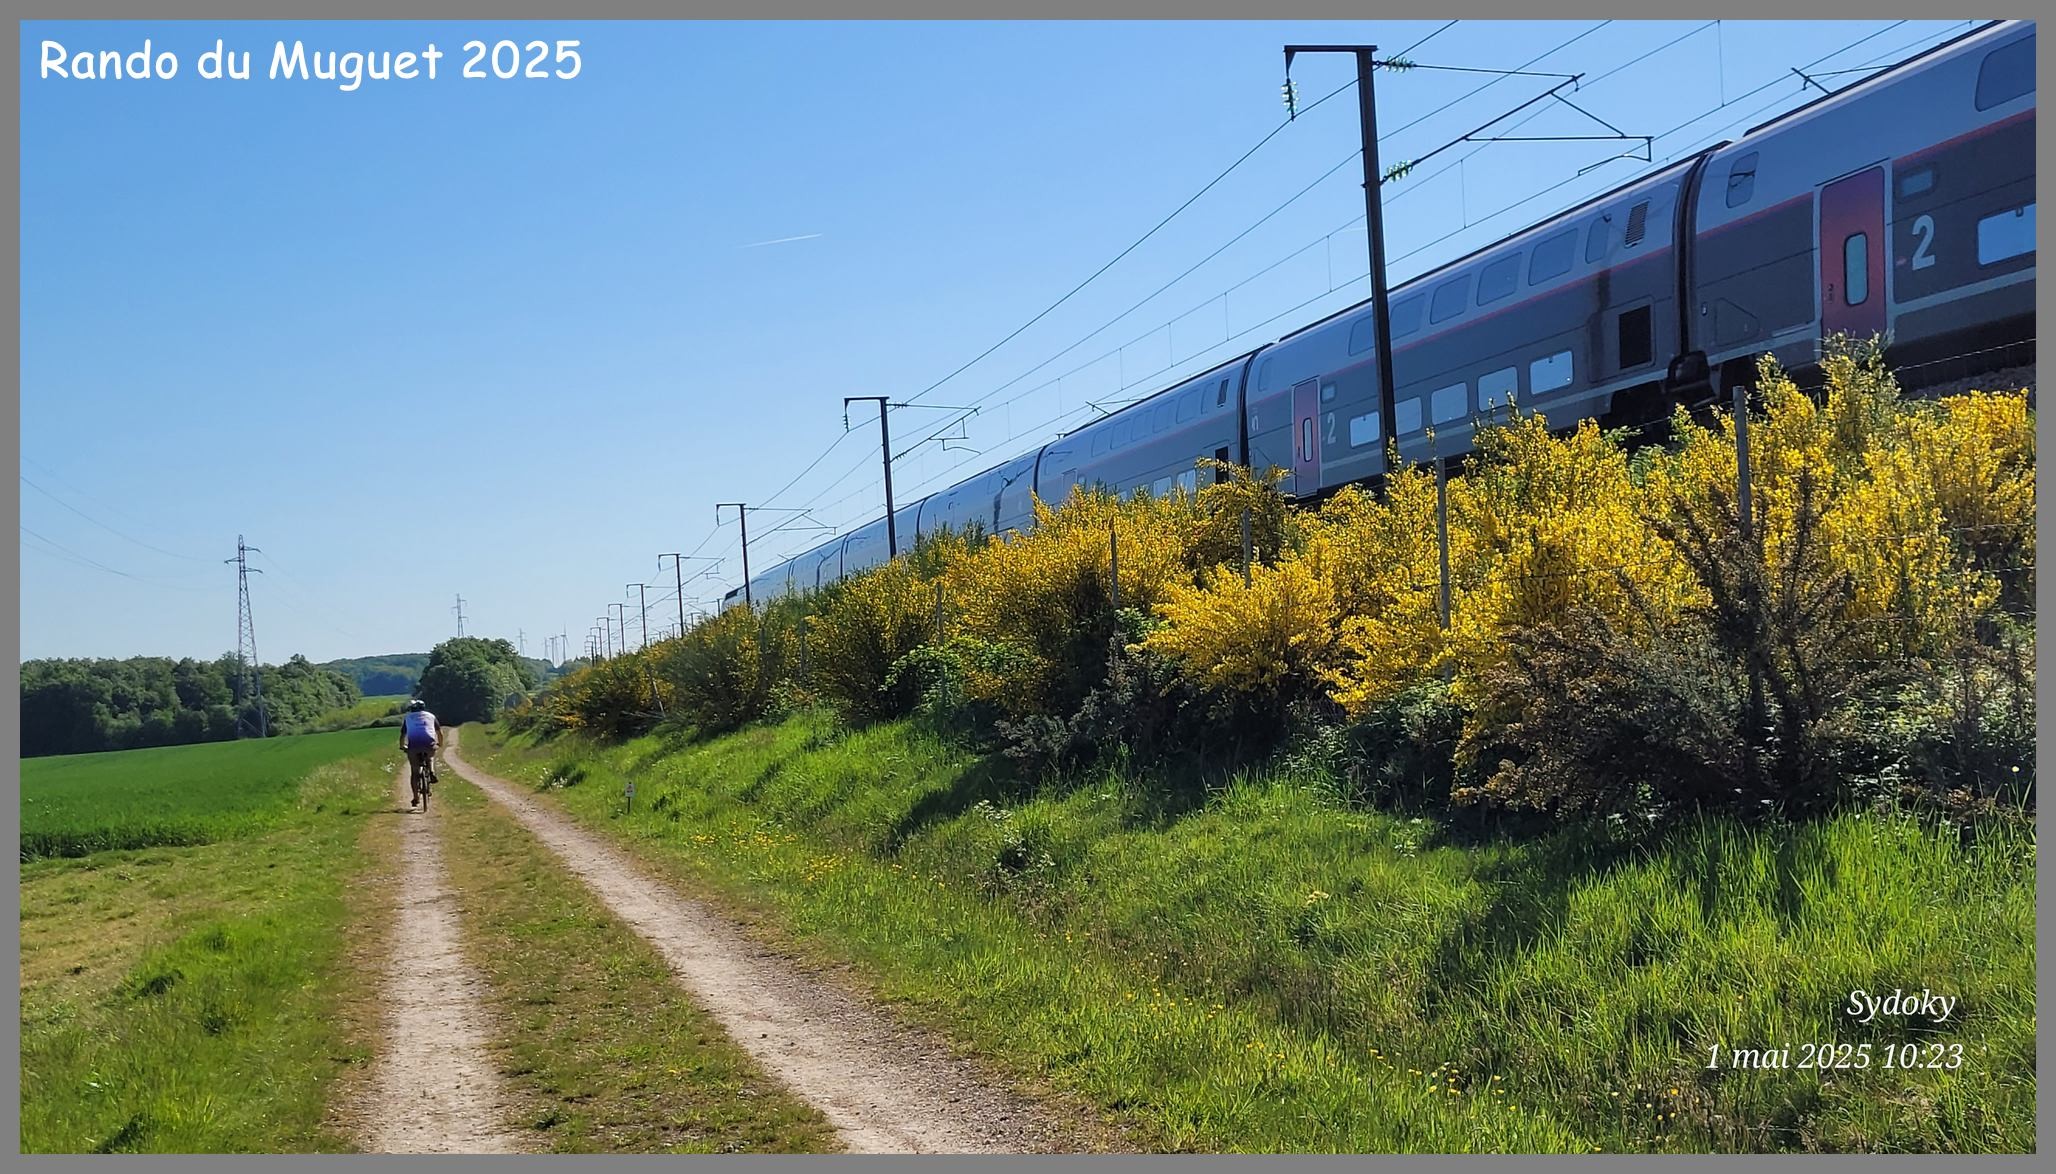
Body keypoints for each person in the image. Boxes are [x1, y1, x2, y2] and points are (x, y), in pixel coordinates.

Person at [400, 699, 440, 807]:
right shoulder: (431, 716)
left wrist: (402, 746)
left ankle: (416, 798)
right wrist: (439, 744)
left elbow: (403, 734)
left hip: (414, 746)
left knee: (414, 772)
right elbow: (438, 732)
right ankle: (431, 771)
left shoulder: (408, 718)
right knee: (430, 756)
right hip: (428, 744)